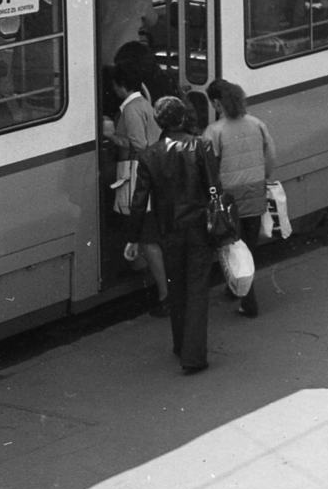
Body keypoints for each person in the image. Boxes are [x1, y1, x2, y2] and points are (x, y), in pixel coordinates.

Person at [125, 95, 217, 373]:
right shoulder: (202, 146)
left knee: (176, 287)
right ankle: (193, 356)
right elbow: (215, 187)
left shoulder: (149, 154)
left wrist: (133, 237)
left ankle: (180, 345)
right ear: (183, 118)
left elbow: (139, 200)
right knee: (198, 290)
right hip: (200, 228)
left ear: (158, 121)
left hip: (169, 230)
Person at [204, 78, 277, 318]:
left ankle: (249, 302)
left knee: (236, 248)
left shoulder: (214, 131)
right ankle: (234, 287)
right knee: (249, 247)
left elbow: (208, 168)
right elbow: (270, 156)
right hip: (255, 193)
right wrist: (262, 177)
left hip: (230, 199)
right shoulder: (257, 124)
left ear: (216, 103)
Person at [110, 59, 165, 314]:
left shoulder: (130, 109)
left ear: (121, 85)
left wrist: (110, 137)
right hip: (151, 172)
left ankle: (164, 293)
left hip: (136, 174)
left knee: (144, 232)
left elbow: (138, 145)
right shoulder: (144, 103)